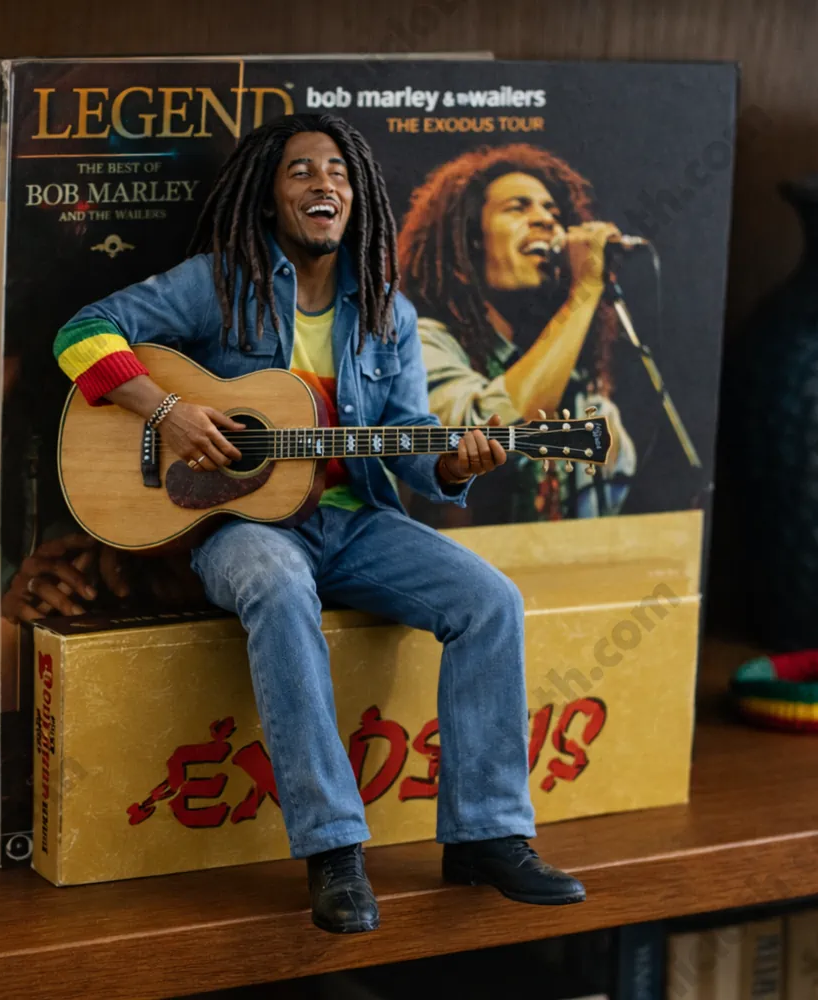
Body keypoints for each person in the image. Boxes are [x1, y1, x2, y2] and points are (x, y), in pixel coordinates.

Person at [53, 113, 585, 934]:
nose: (322, 183)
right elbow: (81, 333)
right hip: (242, 530)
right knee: (274, 581)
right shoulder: (219, 282)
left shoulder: (387, 316)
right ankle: (334, 849)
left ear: (358, 196)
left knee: (491, 601)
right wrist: (169, 410)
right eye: (301, 170)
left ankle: (486, 834)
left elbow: (412, 447)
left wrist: (453, 464)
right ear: (270, 197)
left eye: (336, 171)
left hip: (356, 524)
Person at [398, 144, 637, 523]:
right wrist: (585, 292)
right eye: (518, 207)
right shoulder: (421, 345)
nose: (544, 220)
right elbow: (490, 431)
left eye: (553, 212)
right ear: (471, 240)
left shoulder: (584, 397)